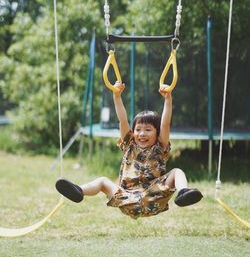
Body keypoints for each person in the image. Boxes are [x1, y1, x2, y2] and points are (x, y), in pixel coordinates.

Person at [56, 82, 203, 219]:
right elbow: (123, 120)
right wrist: (117, 96)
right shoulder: (129, 145)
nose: (142, 133)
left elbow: (165, 124)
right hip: (127, 198)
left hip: (154, 196)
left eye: (148, 130)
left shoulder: (160, 147)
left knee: (177, 172)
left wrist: (168, 99)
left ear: (157, 133)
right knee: (102, 181)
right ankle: (79, 191)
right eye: (138, 129)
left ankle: (183, 192)